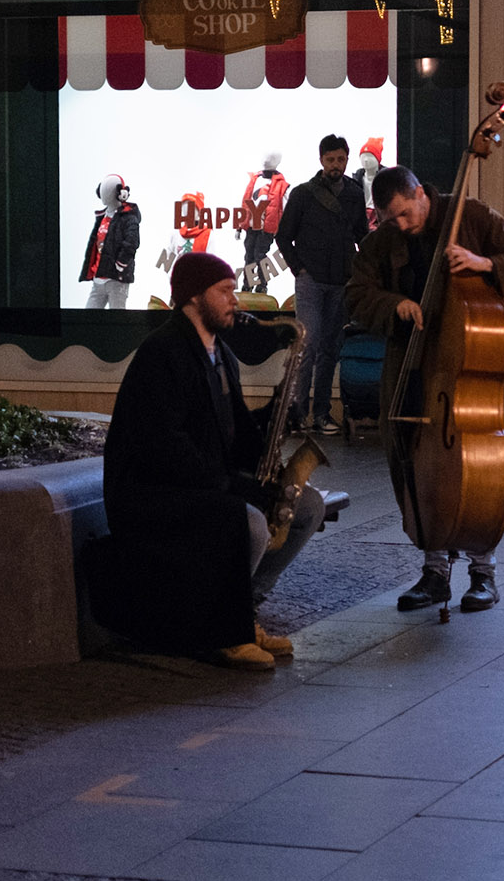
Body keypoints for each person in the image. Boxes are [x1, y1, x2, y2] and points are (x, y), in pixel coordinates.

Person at [99, 253, 324, 670]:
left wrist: (275, 416)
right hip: (152, 494)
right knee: (249, 520)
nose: (234, 300)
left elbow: (234, 433)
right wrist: (232, 486)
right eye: (224, 291)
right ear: (193, 298)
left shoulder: (221, 354)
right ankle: (225, 632)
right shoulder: (163, 352)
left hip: (198, 482)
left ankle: (246, 609)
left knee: (306, 505)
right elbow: (164, 443)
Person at [346, 165, 504, 614]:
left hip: (475, 364)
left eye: (403, 214)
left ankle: (483, 572)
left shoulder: (469, 216)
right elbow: (357, 295)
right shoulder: (383, 240)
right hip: (413, 364)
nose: (400, 225)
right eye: (389, 219)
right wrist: (395, 304)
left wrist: (485, 263)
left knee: (482, 466)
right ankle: (434, 570)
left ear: (420, 194)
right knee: (415, 458)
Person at [275, 134, 368, 433]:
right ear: (321, 160)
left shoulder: (354, 195)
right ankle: (297, 414)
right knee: (309, 343)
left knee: (330, 347)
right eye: (330, 160)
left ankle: (322, 414)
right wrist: (298, 269)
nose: (336, 165)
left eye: (340, 159)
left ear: (346, 159)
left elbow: (362, 236)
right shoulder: (303, 194)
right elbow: (283, 235)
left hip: (340, 281)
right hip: (311, 280)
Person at [80, 174, 140, 309]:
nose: (105, 194)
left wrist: (121, 263)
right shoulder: (101, 217)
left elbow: (131, 243)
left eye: (108, 190)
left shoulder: (129, 218)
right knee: (89, 318)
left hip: (117, 279)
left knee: (117, 319)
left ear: (122, 193)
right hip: (98, 278)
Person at [236, 151, 289, 294]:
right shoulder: (254, 180)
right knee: (249, 256)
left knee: (260, 255)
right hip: (251, 225)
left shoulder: (282, 185)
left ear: (278, 161)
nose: (267, 160)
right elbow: (245, 202)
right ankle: (247, 284)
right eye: (265, 156)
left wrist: (283, 229)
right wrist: (240, 226)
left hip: (267, 228)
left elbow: (285, 207)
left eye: (271, 158)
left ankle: (262, 285)